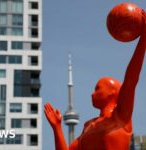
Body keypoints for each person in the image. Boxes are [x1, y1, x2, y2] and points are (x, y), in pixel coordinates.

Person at [44, 10, 146, 150]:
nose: (92, 94)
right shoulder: (88, 127)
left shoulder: (121, 115)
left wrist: (144, 40)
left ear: (112, 93)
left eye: (98, 88)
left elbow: (131, 79)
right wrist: (57, 127)